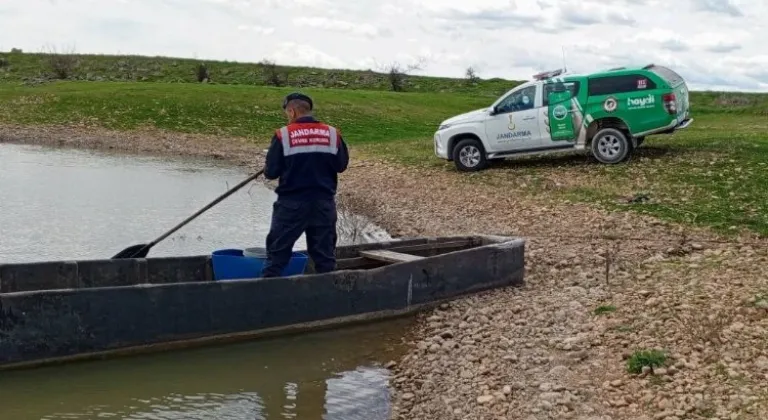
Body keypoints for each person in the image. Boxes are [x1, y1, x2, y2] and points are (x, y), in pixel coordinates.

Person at [261, 92, 349, 277]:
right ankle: (327, 296)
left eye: (287, 113)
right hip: (323, 204)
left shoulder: (283, 135)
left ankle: (266, 296)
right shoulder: (333, 134)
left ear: (292, 111)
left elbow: (271, 172)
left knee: (277, 255)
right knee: (325, 259)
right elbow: (341, 166)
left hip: (291, 205)